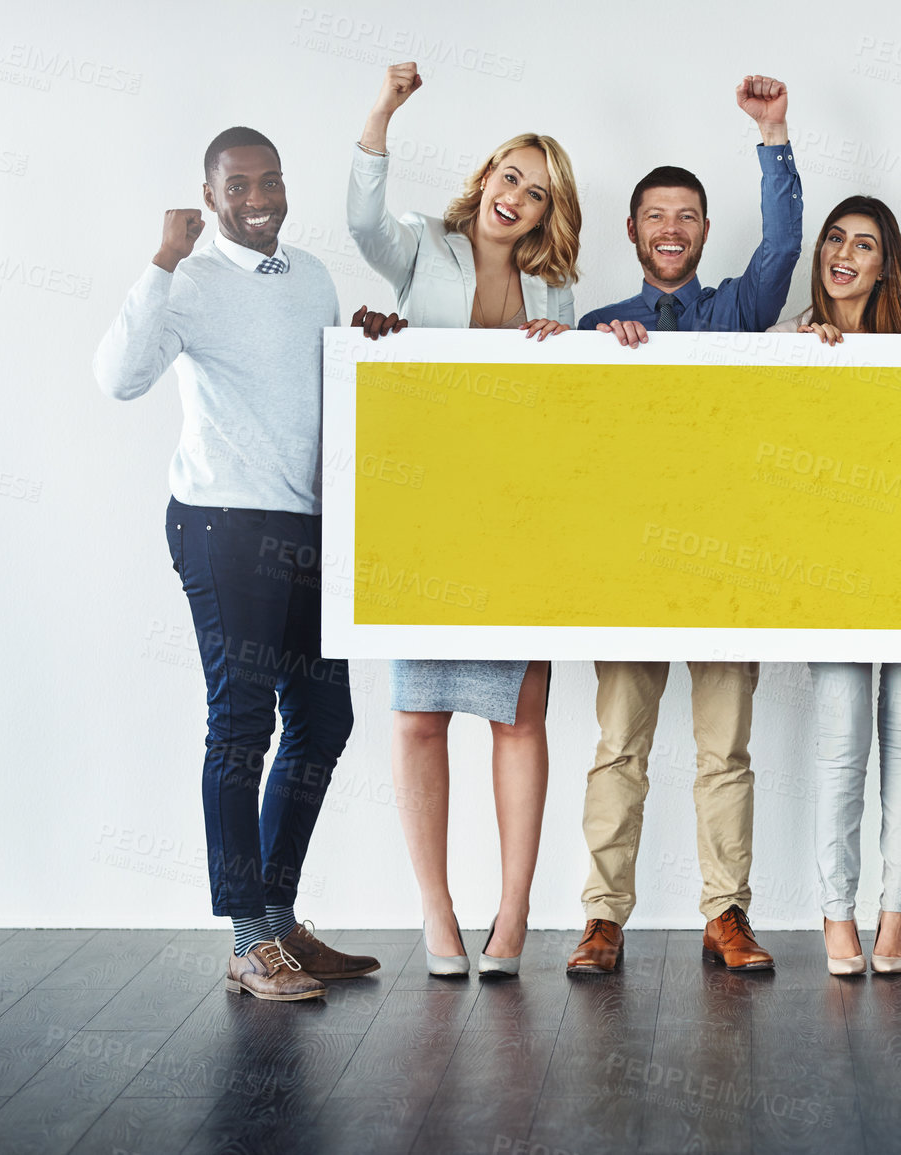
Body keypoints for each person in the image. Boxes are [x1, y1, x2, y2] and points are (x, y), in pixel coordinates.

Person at [93, 127, 378, 1002]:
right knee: (242, 723)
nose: (260, 197)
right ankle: (248, 936)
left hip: (307, 526)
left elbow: (322, 389)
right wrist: (159, 262)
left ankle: (278, 916)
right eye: (240, 185)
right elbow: (117, 377)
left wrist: (368, 342)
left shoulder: (315, 278)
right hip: (223, 524)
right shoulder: (188, 281)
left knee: (324, 721)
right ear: (210, 196)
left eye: (271, 180)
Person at [346, 62, 580, 978]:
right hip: (425, 518)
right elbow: (362, 220)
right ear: (485, 178)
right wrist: (382, 114)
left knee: (519, 715)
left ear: (547, 213)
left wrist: (579, 356)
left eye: (536, 190)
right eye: (509, 175)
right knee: (417, 715)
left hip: (518, 522)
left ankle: (512, 916)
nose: (515, 195)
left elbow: (572, 412)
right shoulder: (420, 249)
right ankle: (437, 914)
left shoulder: (556, 293)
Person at [566, 75, 802, 974]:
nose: (671, 228)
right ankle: (602, 920)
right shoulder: (595, 326)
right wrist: (574, 353)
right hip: (629, 568)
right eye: (655, 215)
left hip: (722, 564)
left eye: (688, 216)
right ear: (632, 231)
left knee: (723, 750)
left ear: (704, 232)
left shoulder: (738, 314)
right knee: (618, 745)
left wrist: (772, 134)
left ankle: (726, 914)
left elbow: (784, 243)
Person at [768, 69, 901, 976]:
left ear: (886, 263)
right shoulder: (786, 337)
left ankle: (897, 912)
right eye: (836, 241)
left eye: (866, 244)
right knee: (842, 740)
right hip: (829, 570)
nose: (847, 254)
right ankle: (834, 915)